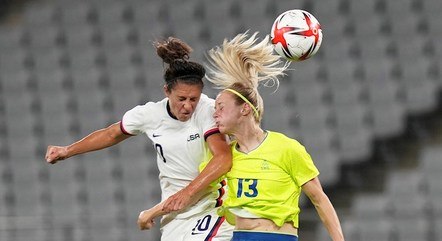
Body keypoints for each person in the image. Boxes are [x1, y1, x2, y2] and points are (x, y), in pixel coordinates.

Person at [45, 37, 234, 241]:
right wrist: (67, 151)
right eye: (181, 99)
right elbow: (111, 133)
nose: (188, 106)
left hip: (211, 207)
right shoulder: (150, 114)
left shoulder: (207, 110)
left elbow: (223, 158)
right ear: (166, 91)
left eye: (193, 99)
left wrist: (187, 193)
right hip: (174, 214)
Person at [205, 32, 345, 241]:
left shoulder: (287, 149)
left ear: (244, 109)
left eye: (221, 107)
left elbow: (319, 198)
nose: (215, 114)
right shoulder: (224, 157)